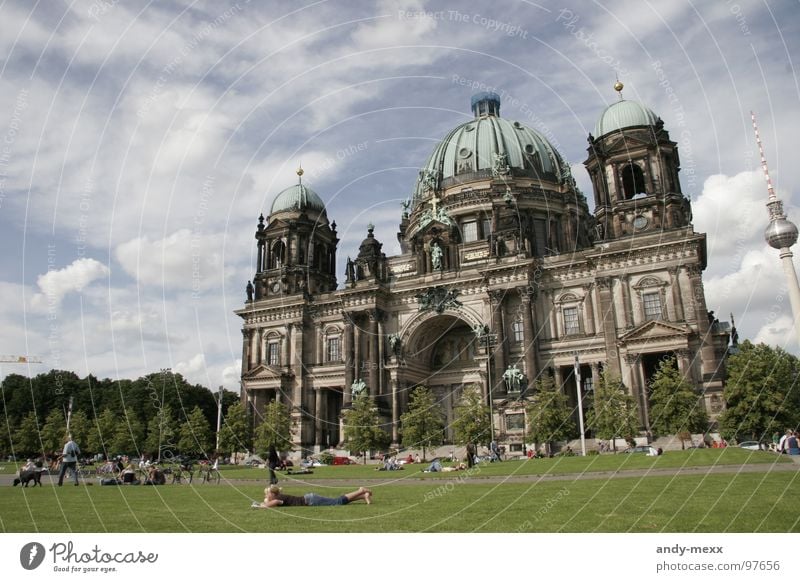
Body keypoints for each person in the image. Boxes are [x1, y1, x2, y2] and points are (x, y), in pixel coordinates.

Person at [252, 485, 372, 508]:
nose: (265, 495)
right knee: (338, 502)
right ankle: (362, 496)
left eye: (267, 493)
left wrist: (260, 505)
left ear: (273, 494)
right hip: (310, 499)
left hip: (311, 500)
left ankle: (360, 490)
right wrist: (263, 502)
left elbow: (270, 504)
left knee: (337, 501)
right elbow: (267, 502)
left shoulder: (280, 498)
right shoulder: (279, 496)